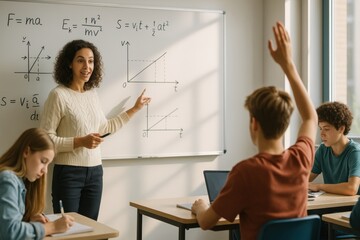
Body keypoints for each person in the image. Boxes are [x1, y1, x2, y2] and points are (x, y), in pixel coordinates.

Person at [191, 21, 318, 240]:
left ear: (254, 123)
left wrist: (200, 206)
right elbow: (310, 117)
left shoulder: (245, 172)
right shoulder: (300, 159)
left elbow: (206, 222)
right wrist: (288, 65)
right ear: (286, 123)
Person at [40, 39, 151, 220]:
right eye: (80, 60)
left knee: (93, 231)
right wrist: (80, 141)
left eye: (91, 61)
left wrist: (135, 108)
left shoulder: (92, 95)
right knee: (69, 232)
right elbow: (45, 139)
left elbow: (105, 127)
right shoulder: (58, 95)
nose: (87, 66)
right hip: (68, 174)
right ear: (69, 63)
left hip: (95, 173)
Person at [0, 128, 74, 240]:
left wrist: (28, 220)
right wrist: (52, 227)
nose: (45, 171)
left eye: (48, 164)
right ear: (26, 152)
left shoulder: (21, 181)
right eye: (43, 161)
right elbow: (10, 232)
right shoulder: (8, 180)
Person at [308, 101, 360, 196]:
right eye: (320, 128)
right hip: (330, 205)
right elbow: (306, 178)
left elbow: (351, 189)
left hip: (350, 208)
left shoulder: (355, 152)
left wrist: (319, 186)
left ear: (341, 129)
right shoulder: (323, 150)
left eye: (326, 129)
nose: (322, 134)